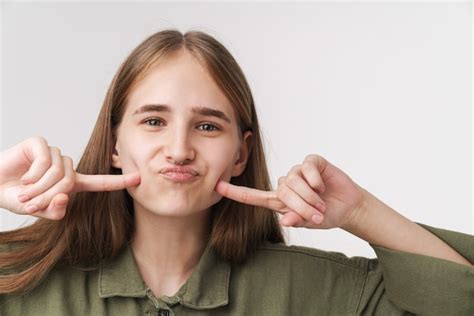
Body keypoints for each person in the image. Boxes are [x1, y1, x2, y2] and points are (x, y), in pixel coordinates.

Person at [0, 29, 472, 316]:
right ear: (115, 145)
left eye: (207, 125)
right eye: (153, 121)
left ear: (241, 155)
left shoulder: (314, 290)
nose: (180, 149)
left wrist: (361, 211)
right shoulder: (23, 282)